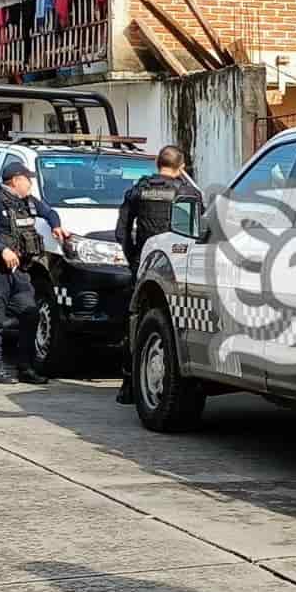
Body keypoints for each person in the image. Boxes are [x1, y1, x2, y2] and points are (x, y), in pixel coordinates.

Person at [113, 145, 201, 404]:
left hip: (145, 265)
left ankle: (129, 385)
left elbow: (121, 231)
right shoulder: (187, 192)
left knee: (137, 326)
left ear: (156, 162)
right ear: (181, 166)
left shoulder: (139, 190)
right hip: (175, 267)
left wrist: (134, 260)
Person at [0, 161, 69, 385]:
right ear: (16, 180)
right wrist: (2, 249)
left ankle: (25, 367)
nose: (31, 183)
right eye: (28, 179)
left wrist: (56, 225)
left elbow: (49, 212)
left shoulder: (28, 202)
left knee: (30, 314)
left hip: (20, 272)